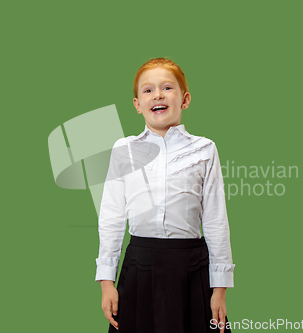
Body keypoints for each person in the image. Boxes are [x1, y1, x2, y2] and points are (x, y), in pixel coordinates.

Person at [95, 57, 235, 333]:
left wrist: (220, 288)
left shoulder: (205, 150)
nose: (157, 94)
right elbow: (111, 217)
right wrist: (106, 282)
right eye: (147, 90)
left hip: (191, 268)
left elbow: (216, 220)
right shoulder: (124, 150)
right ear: (137, 104)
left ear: (185, 99)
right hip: (139, 267)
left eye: (167, 88)